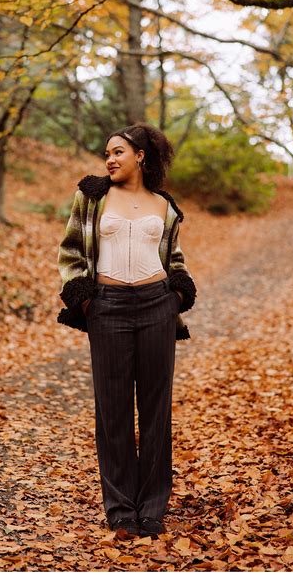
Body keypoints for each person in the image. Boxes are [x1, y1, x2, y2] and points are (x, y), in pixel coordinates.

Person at [56, 122, 197, 539]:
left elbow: (175, 257)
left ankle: (152, 508)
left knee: (156, 410)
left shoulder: (164, 206)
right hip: (108, 308)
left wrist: (177, 295)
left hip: (157, 306)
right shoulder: (92, 197)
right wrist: (85, 299)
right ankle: (120, 509)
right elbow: (71, 252)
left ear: (140, 155)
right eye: (106, 154)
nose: (110, 159)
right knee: (113, 410)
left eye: (118, 151)